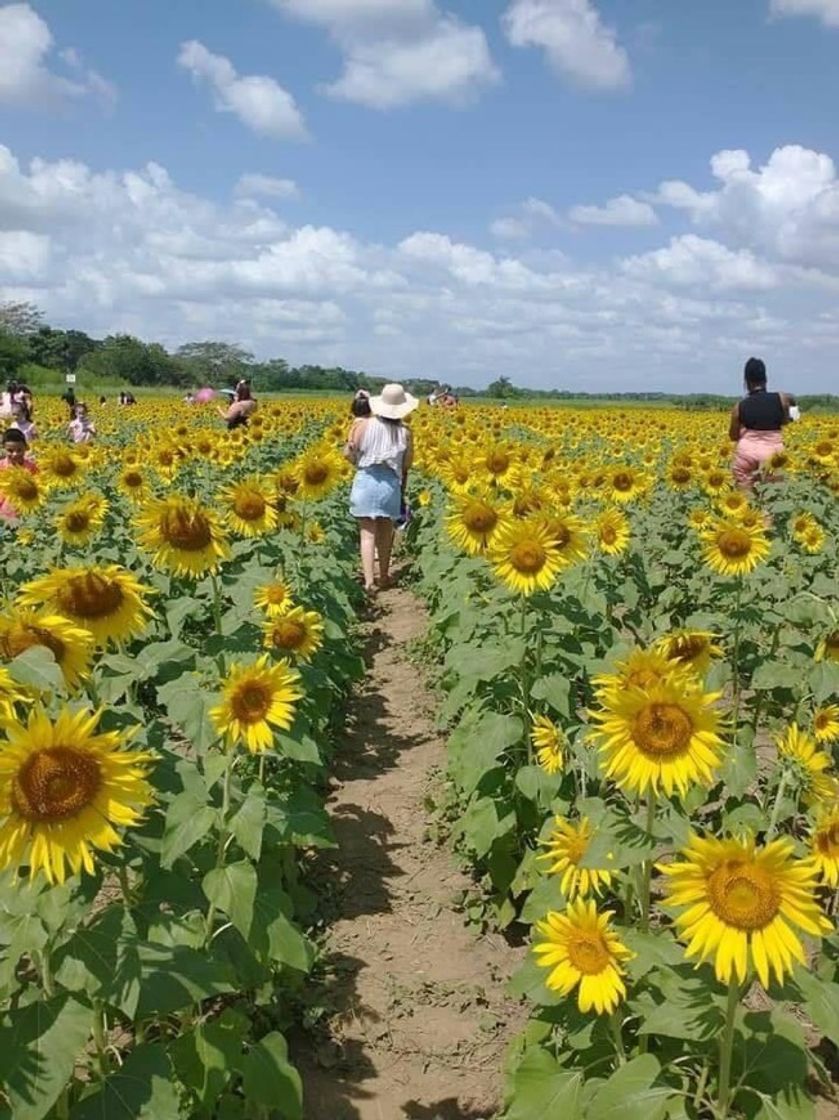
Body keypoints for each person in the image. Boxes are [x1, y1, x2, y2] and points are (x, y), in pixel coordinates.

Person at [344, 382, 417, 593]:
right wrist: (402, 490)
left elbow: (349, 452)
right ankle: (384, 576)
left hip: (365, 480)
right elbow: (406, 465)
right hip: (390, 484)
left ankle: (368, 581)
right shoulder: (405, 432)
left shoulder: (363, 425)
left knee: (367, 533)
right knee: (386, 533)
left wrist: (359, 462)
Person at [729, 358, 797, 490]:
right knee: (772, 497)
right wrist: (790, 418)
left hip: (746, 454)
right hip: (772, 456)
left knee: (745, 500)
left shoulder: (739, 406)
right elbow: (791, 415)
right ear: (766, 380)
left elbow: (733, 436)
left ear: (746, 382)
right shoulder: (782, 398)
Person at [0, 428, 37, 523]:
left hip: (28, 515)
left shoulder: (32, 467)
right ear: (3, 448)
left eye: (19, 450)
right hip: (4, 513)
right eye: (10, 450)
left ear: (26, 447)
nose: (15, 454)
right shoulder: (1, 467)